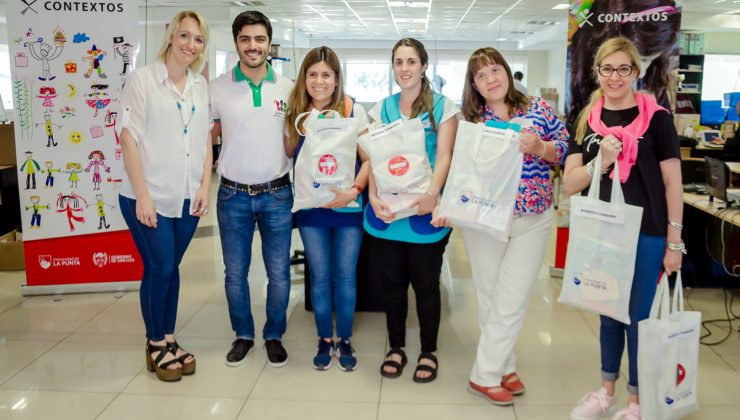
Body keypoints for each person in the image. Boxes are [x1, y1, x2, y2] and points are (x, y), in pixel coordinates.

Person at [562, 37, 683, 420]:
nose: (615, 77)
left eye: (623, 69)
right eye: (607, 69)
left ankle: (636, 400)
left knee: (639, 315)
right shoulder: (586, 118)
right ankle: (606, 390)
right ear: (597, 72)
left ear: (636, 71)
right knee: (608, 312)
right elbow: (570, 183)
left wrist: (674, 242)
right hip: (603, 231)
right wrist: (604, 160)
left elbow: (672, 185)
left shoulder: (658, 118)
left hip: (647, 232)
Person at [440, 47, 568, 405]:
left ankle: (483, 375)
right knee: (490, 295)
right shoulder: (471, 121)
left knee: (511, 299)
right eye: (481, 75)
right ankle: (503, 366)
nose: (490, 79)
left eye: (495, 70)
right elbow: (460, 170)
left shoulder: (538, 109)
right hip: (484, 219)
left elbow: (564, 147)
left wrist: (540, 147)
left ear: (507, 73)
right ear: (474, 85)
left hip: (532, 217)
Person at [118, 10, 211, 382]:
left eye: (199, 39)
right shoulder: (142, 80)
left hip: (188, 197)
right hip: (148, 196)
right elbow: (128, 138)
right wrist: (142, 196)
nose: (191, 45)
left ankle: (170, 338)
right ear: (171, 36)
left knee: (170, 268)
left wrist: (204, 185)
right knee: (159, 267)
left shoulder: (200, 85)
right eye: (185, 36)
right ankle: (155, 343)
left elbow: (205, 137)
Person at [367, 38, 458, 384]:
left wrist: (433, 194)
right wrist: (373, 197)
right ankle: (397, 347)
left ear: (423, 65)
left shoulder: (441, 106)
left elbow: (446, 155)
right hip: (389, 211)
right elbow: (374, 158)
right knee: (392, 283)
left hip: (425, 211)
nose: (404, 68)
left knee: (425, 284)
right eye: (398, 62)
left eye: (411, 61)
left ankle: (428, 351)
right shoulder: (381, 108)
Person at [209, 10, 294, 368]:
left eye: (259, 39)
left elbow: (299, 138)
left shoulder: (289, 87)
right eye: (245, 39)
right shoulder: (217, 88)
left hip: (277, 194)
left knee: (279, 273)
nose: (253, 46)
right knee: (235, 273)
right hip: (232, 195)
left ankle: (273, 334)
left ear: (269, 43)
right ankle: (243, 334)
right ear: (236, 43)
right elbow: (202, 139)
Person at [284, 46, 369, 372]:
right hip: (311, 208)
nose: (319, 81)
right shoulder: (297, 113)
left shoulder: (352, 110)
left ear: (336, 80)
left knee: (345, 276)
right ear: (304, 78)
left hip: (348, 207)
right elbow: (289, 156)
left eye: (326, 75)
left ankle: (344, 337)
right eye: (313, 74)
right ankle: (325, 338)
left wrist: (353, 191)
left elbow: (369, 159)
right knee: (319, 276)